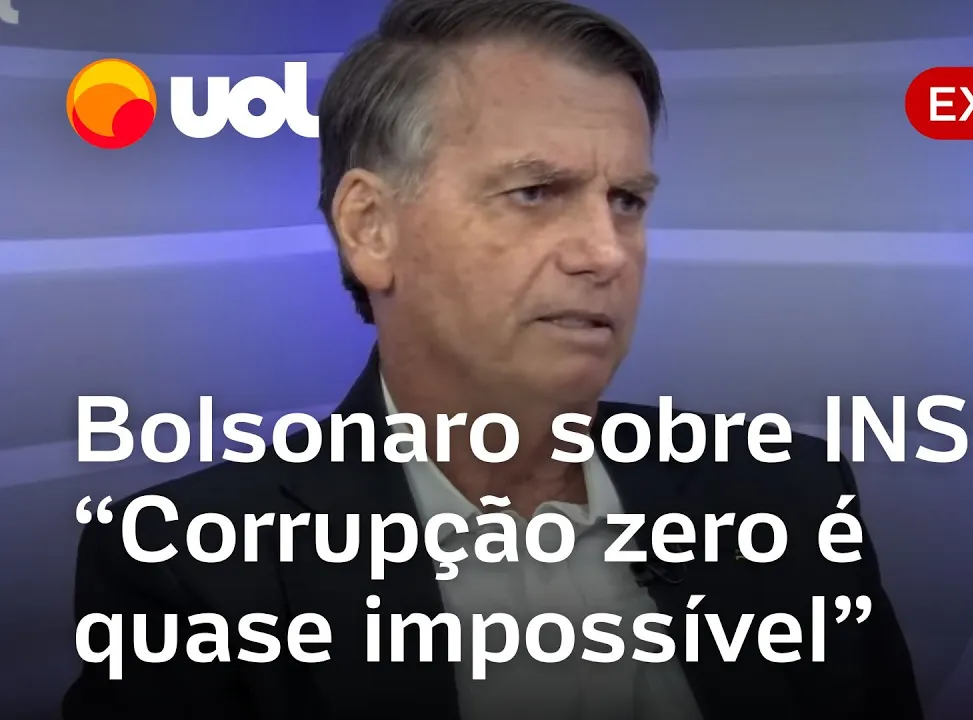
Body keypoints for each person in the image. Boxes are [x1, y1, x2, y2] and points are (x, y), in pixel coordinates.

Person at [62, 0, 920, 717]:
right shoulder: (191, 569)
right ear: (370, 228)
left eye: (627, 200)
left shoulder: (791, 502)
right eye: (536, 192)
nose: (605, 252)